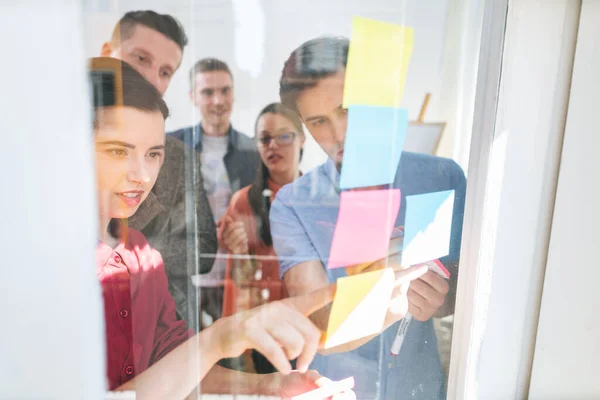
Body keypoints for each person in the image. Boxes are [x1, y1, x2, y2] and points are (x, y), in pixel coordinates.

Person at [90, 57, 355, 400]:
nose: (141, 175)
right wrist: (216, 339)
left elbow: (177, 365)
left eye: (154, 154)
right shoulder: (34, 265)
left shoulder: (143, 255)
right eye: (117, 151)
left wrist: (270, 387)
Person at [270, 37, 467, 399]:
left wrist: (442, 295)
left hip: (417, 387)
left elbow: (470, 290)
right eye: (319, 121)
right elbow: (318, 325)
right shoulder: (293, 204)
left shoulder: (442, 177)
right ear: (302, 125)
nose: (340, 133)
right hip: (337, 389)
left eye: (347, 110)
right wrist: (386, 297)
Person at [100, 10, 218, 330]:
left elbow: (204, 248)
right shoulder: (56, 146)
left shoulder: (180, 160)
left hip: (167, 328)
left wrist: (138, 254)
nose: (152, 79)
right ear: (107, 54)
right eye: (141, 58)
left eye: (165, 71)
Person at [169, 58, 261, 323]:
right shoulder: (171, 146)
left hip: (235, 276)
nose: (218, 101)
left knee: (233, 358)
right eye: (207, 92)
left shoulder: (253, 150)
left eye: (225, 90)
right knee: (185, 355)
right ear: (193, 97)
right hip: (185, 277)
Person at [220, 103, 305, 373]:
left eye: (284, 136)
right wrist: (240, 251)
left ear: (302, 139)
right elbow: (239, 282)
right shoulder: (244, 202)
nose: (273, 145)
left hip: (309, 327)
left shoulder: (318, 199)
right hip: (263, 334)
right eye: (265, 138)